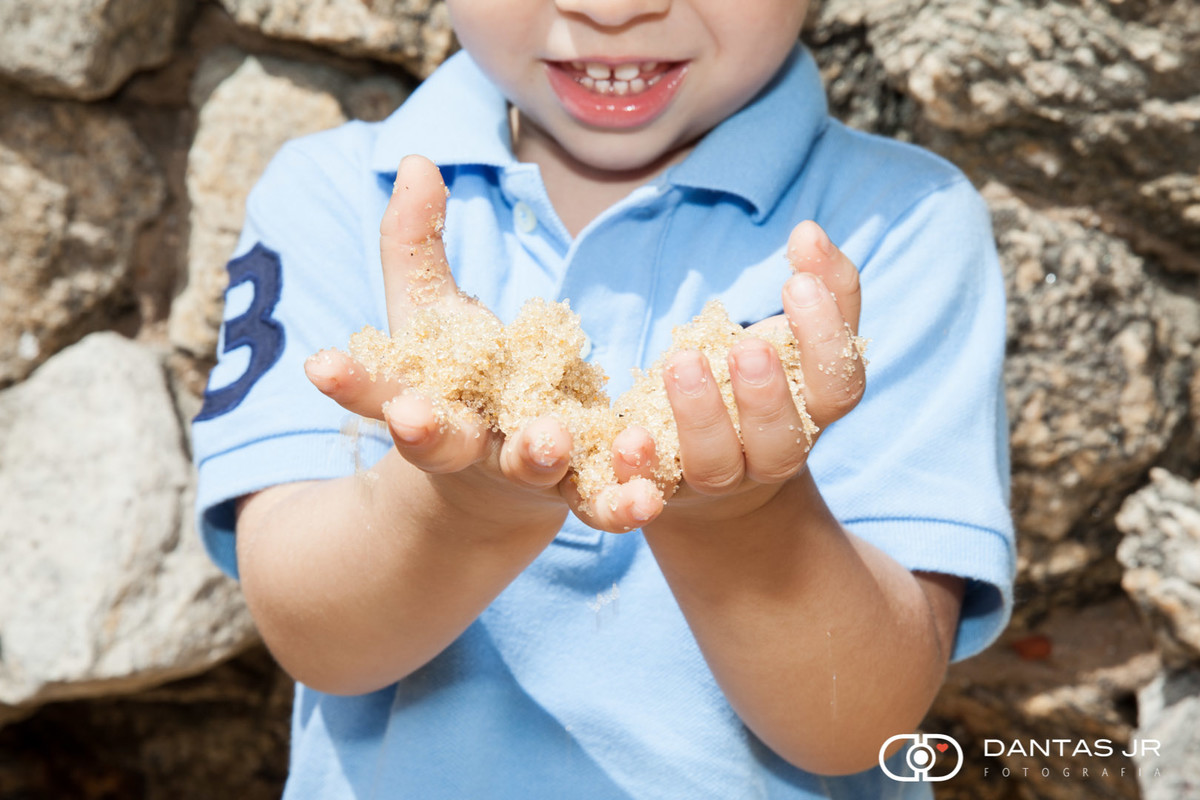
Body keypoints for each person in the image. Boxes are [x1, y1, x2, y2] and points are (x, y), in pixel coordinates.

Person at [192, 0, 1016, 796]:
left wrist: (743, 515)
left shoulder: (902, 224)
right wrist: (464, 507)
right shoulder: (338, 196)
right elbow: (315, 638)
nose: (612, 7)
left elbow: (856, 729)